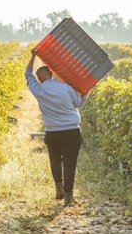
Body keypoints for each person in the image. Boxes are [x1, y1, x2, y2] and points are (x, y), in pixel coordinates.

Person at [25, 49, 86, 207]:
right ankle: (68, 196)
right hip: (72, 131)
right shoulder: (65, 87)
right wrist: (87, 91)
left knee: (55, 160)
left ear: (39, 79)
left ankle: (58, 188)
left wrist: (33, 56)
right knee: (70, 162)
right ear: (51, 74)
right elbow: (79, 103)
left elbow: (27, 74)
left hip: (52, 132)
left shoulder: (38, 90)